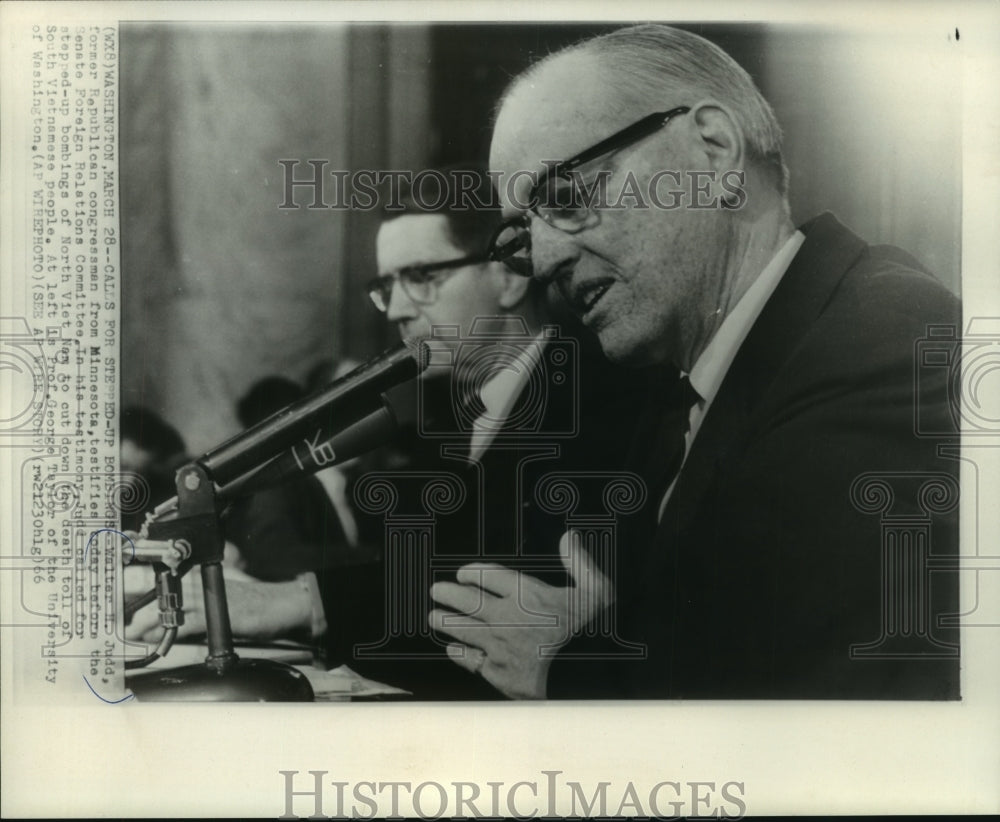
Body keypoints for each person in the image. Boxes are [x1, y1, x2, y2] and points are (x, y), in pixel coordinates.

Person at [427, 24, 961, 699]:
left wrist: (574, 669)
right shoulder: (686, 384)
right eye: (520, 232)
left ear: (713, 150)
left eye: (564, 196)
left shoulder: (889, 340)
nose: (542, 260)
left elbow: (822, 691)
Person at [126, 166, 650, 698]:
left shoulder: (594, 400)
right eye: (387, 286)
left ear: (512, 273)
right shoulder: (470, 413)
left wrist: (300, 601)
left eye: (422, 276)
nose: (399, 310)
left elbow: (503, 579)